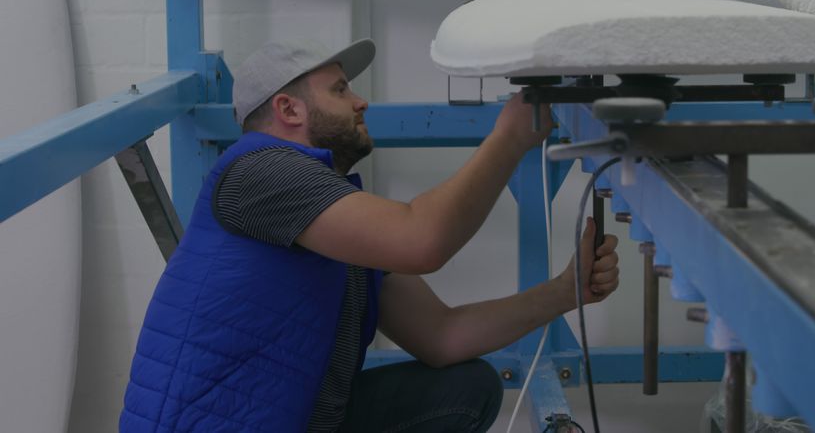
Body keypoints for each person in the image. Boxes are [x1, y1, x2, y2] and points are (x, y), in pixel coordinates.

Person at [119, 39, 621, 432]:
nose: (360, 101)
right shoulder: (258, 169)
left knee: (467, 387)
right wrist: (510, 137)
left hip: (294, 422)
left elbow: (443, 337)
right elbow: (423, 241)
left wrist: (564, 291)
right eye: (339, 90)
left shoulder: (329, 218)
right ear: (289, 110)